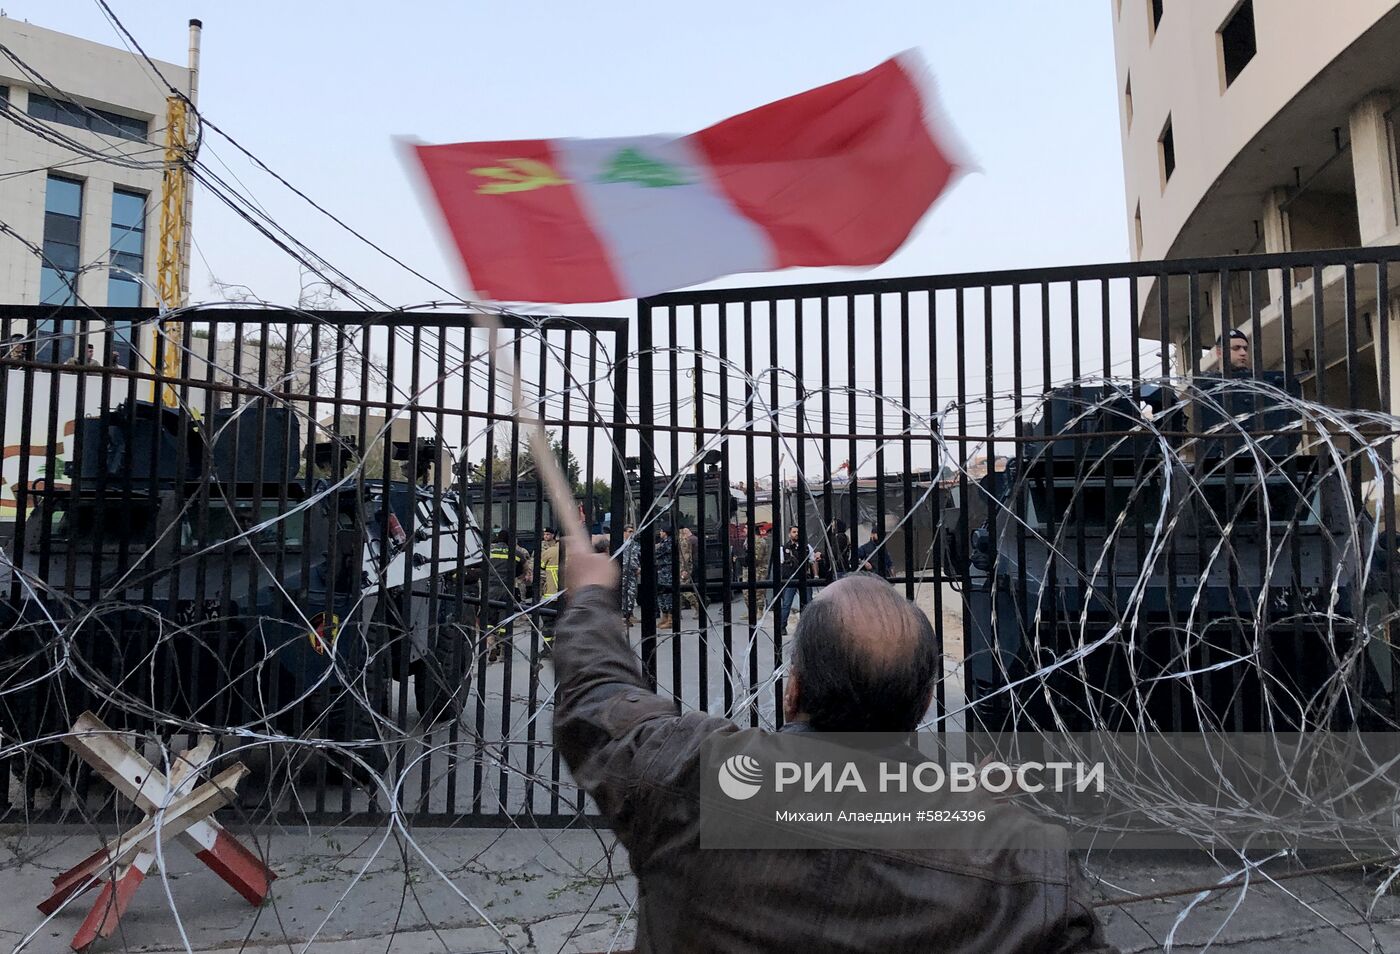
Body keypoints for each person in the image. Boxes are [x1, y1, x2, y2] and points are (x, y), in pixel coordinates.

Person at [552, 550, 1116, 952]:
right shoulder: (1024, 866)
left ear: (792, 690)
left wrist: (592, 596)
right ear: (923, 704)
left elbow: (599, 699)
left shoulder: (691, 777)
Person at [772, 525, 816, 636]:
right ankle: (782, 627)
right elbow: (780, 565)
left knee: (807, 603)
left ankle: (807, 627)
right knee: (787, 604)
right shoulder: (783, 549)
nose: (796, 534)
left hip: (804, 578)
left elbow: (813, 561)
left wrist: (816, 576)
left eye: (798, 532)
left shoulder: (807, 547)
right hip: (790, 579)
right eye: (794, 532)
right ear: (789, 534)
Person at [619, 524, 640, 626]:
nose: (631, 533)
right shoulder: (621, 544)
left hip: (632, 573)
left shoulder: (634, 544)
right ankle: (623, 617)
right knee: (623, 594)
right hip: (623, 572)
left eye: (632, 531)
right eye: (629, 531)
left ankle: (628, 615)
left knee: (631, 594)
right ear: (624, 533)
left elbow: (638, 557)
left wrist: (638, 567)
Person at [655, 525, 675, 629]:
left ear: (666, 532)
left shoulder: (669, 542)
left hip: (668, 570)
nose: (660, 533)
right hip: (662, 570)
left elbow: (657, 552)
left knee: (668, 594)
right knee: (661, 593)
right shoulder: (663, 542)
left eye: (661, 531)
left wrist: (657, 547)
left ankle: (671, 620)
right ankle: (665, 616)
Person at [678, 526, 700, 612]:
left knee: (683, 588)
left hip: (684, 567)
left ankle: (697, 606)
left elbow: (685, 556)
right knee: (680, 589)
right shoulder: (683, 541)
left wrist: (684, 569)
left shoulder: (684, 542)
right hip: (682, 566)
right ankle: (678, 611)